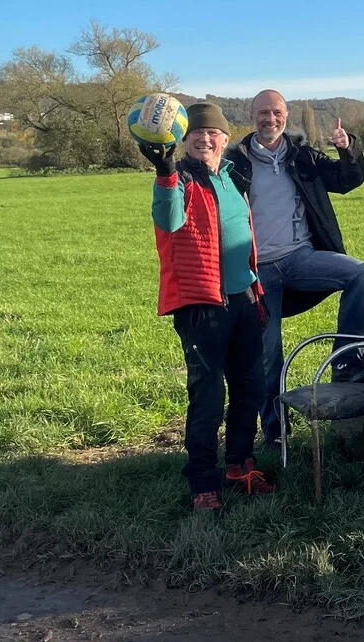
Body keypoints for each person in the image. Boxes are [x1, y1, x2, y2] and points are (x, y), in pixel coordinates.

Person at [138, 102, 274, 513]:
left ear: (225, 138)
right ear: (184, 139)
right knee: (208, 398)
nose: (205, 139)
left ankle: (239, 465)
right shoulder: (179, 179)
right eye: (196, 133)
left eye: (213, 132)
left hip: (244, 300)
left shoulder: (232, 177)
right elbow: (168, 221)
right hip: (202, 306)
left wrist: (254, 289)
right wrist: (164, 172)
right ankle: (202, 483)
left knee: (250, 390)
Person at [224, 89, 364, 448]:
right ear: (251, 115)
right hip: (259, 270)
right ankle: (276, 433)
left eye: (277, 112)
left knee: (360, 273)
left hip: (301, 258)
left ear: (286, 115)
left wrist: (347, 147)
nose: (270, 119)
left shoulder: (302, 155)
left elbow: (346, 180)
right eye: (263, 112)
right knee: (268, 355)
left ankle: (346, 360)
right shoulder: (235, 161)